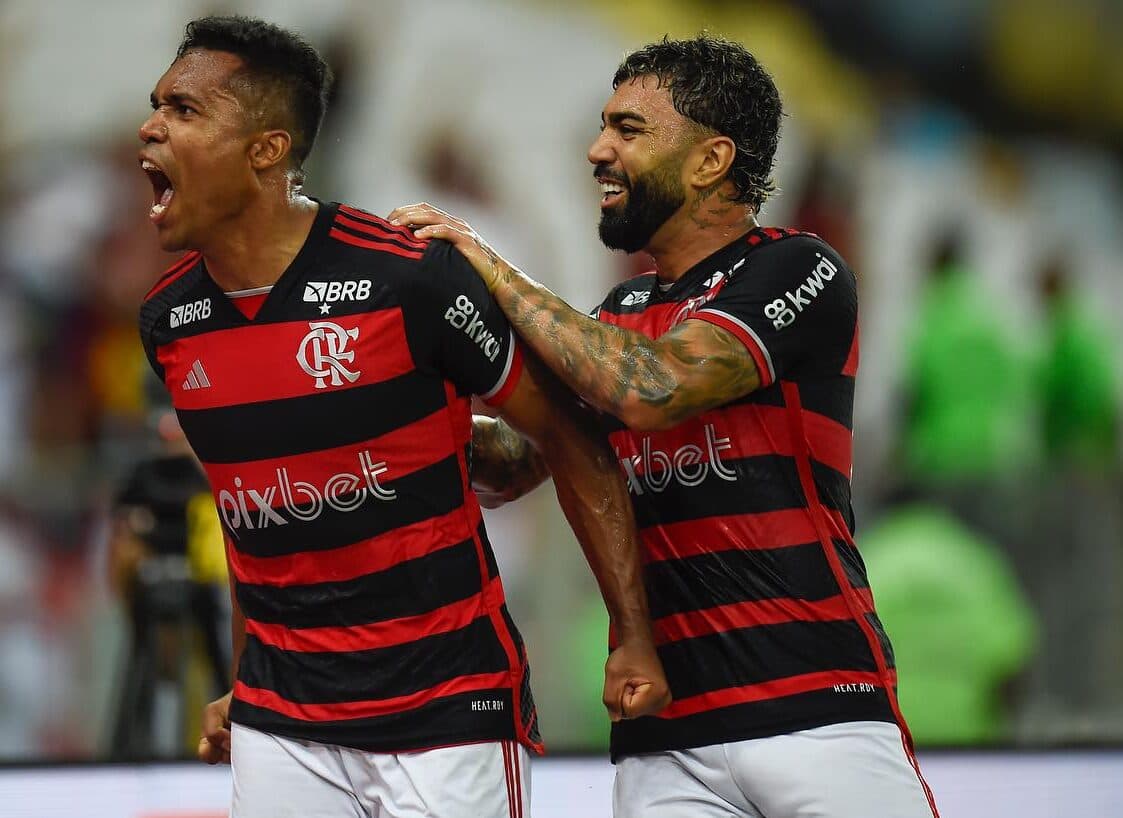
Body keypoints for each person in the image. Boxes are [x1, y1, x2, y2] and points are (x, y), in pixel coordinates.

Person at [392, 35, 940, 818]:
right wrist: (374, 417)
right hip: (666, 737)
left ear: (709, 160)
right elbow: (516, 461)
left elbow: (653, 387)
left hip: (815, 711)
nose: (597, 150)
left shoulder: (798, 269)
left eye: (628, 129)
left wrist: (489, 268)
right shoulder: (620, 314)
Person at [136, 16, 668, 818]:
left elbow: (564, 433)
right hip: (285, 713)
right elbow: (256, 513)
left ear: (266, 150)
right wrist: (244, 680)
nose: (150, 127)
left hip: (443, 704)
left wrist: (632, 634)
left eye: (182, 109)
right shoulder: (169, 321)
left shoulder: (407, 278)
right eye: (157, 105)